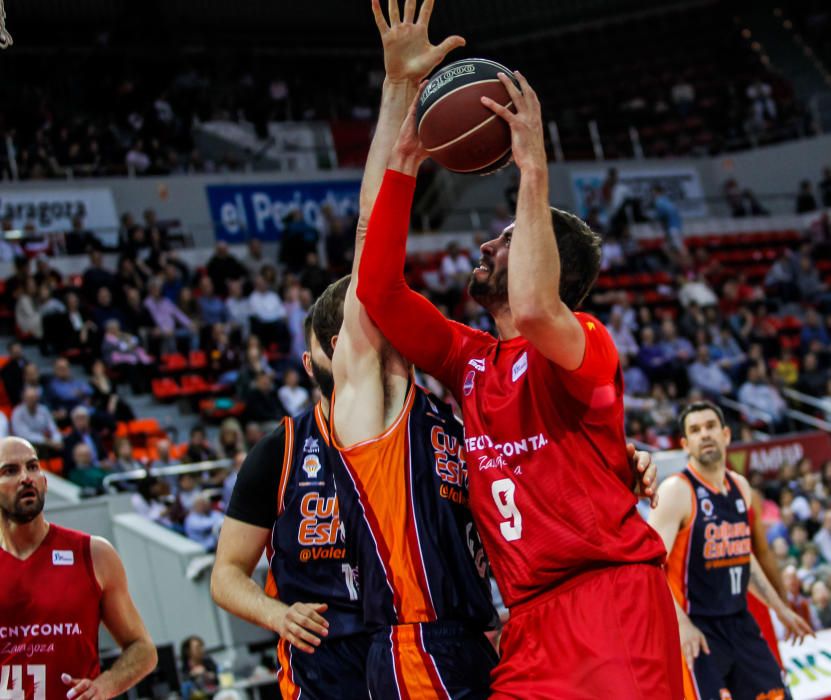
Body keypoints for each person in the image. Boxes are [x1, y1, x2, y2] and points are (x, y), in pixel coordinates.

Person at [357, 69, 677, 696]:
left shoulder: (585, 345)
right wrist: (403, 161)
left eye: (505, 238)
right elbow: (379, 292)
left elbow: (534, 309)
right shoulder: (467, 358)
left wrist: (533, 169)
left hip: (608, 599)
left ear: (545, 259)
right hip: (527, 619)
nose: (485, 242)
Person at [649, 402, 812, 699]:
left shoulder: (741, 487)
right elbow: (650, 566)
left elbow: (741, 555)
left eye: (710, 427)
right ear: (685, 444)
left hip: (740, 621)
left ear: (725, 435)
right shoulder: (677, 491)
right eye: (695, 430)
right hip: (698, 629)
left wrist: (780, 608)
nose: (705, 434)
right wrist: (681, 625)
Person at [0, 436, 157, 697]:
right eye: (10, 471)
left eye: (33, 467)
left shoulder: (94, 554)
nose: (26, 477)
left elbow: (143, 649)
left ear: (45, 482)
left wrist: (105, 685)